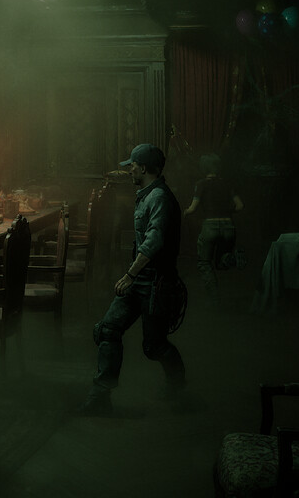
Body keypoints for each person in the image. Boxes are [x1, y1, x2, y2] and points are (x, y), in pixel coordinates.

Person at [82, 143, 186, 416]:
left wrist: (130, 274)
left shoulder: (159, 197)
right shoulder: (147, 195)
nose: (130, 170)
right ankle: (100, 398)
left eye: (133, 166)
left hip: (156, 282)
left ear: (144, 168)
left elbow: (154, 241)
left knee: (154, 346)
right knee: (108, 330)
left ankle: (179, 390)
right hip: (140, 279)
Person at [183, 154, 245, 300]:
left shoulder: (201, 184)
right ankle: (233, 259)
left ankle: (213, 296)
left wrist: (185, 212)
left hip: (210, 226)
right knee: (221, 262)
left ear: (203, 168)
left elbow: (193, 208)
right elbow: (240, 206)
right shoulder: (227, 184)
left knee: (204, 262)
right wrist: (226, 211)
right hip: (228, 226)